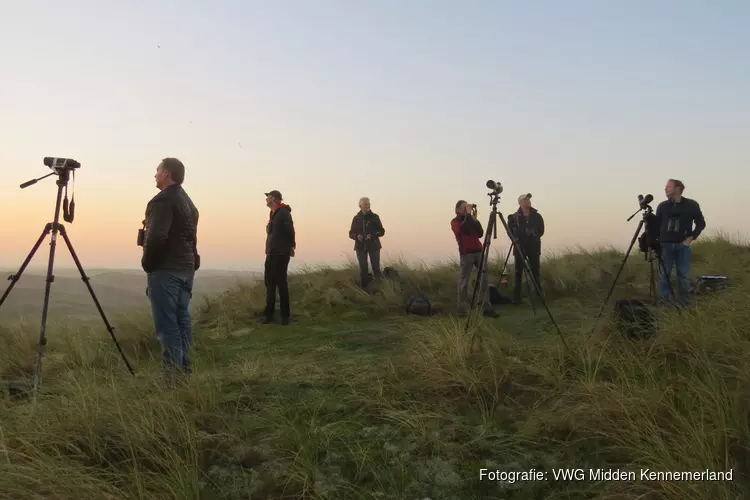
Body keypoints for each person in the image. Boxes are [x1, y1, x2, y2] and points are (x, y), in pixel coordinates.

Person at [141, 157, 200, 384]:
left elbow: (156, 237)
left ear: (166, 173)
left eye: (157, 171)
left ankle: (172, 378)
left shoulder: (163, 200)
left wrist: (148, 263)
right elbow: (191, 239)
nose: (155, 175)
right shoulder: (189, 203)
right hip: (186, 267)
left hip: (167, 268)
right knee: (182, 318)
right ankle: (184, 371)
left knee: (167, 325)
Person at [655, 179, 705, 307]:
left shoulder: (691, 205)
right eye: (665, 187)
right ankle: (664, 302)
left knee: (683, 276)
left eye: (668, 186)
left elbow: (700, 222)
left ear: (678, 188)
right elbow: (656, 225)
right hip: (665, 245)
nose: (665, 189)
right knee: (664, 276)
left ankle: (684, 303)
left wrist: (691, 237)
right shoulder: (662, 206)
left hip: (683, 245)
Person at [451, 200, 498, 317]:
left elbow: (480, 233)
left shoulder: (470, 219)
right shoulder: (455, 222)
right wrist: (468, 216)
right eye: (463, 207)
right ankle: (462, 310)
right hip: (466, 254)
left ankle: (486, 307)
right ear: (457, 210)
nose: (466, 209)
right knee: (464, 282)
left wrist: (475, 220)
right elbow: (463, 230)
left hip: (479, 251)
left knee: (484, 280)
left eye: (467, 207)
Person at [262, 190, 296, 324]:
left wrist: (291, 246)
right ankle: (269, 315)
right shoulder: (273, 214)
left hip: (281, 253)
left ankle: (285, 316)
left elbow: (290, 231)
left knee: (281, 284)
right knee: (269, 284)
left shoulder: (284, 213)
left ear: (274, 199)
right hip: (271, 253)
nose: (266, 199)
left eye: (268, 197)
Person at [508, 193, 544, 304]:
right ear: (520, 203)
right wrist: (519, 237)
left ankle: (539, 296)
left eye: (529, 199)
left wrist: (534, 233)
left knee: (535, 272)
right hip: (519, 247)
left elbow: (541, 230)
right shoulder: (513, 217)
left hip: (534, 246)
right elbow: (510, 232)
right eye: (525, 199)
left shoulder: (537, 216)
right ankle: (516, 298)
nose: (528, 201)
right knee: (518, 273)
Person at [348, 197, 385, 289]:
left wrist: (372, 235)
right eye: (365, 204)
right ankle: (363, 290)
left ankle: (380, 289)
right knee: (363, 270)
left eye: (368, 204)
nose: (367, 206)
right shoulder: (356, 218)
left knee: (376, 269)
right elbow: (351, 233)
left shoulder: (375, 217)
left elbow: (382, 231)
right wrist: (357, 236)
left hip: (374, 246)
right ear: (360, 206)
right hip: (360, 247)